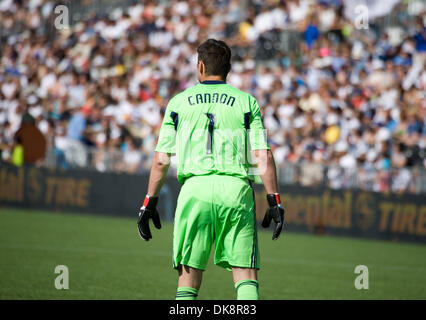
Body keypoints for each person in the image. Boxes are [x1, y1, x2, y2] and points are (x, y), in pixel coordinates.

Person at [136, 39, 285, 300]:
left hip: (195, 190)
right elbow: (262, 155)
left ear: (201, 66)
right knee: (246, 275)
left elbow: (161, 159)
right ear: (228, 69)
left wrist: (149, 202)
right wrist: (274, 200)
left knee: (188, 276)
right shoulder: (246, 102)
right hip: (236, 191)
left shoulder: (178, 103)